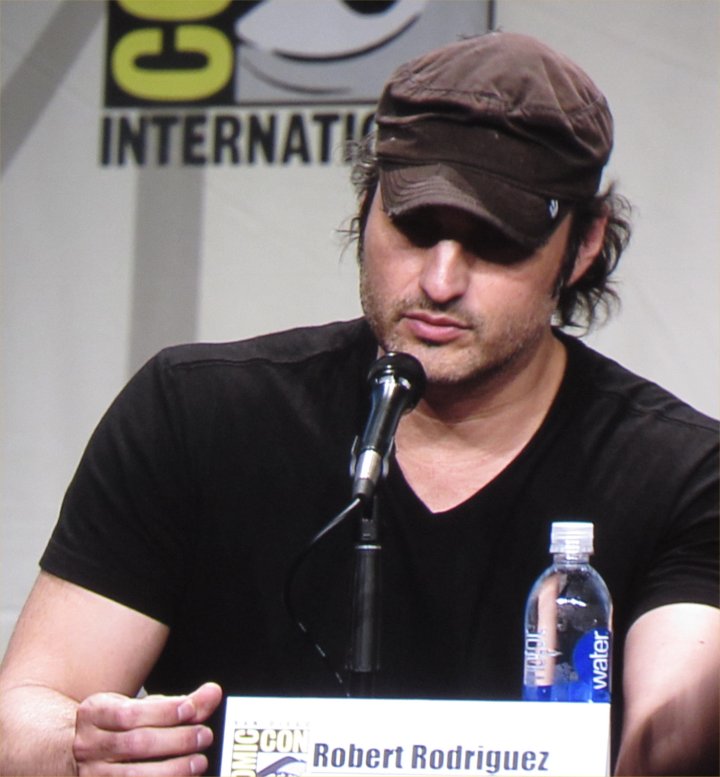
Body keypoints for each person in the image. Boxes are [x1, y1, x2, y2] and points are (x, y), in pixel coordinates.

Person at [0, 31, 717, 777]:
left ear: (584, 244)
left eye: (495, 241)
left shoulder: (679, 473)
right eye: (413, 225)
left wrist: (691, 723)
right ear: (368, 200)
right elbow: (23, 715)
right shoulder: (196, 414)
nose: (440, 281)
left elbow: (666, 741)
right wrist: (83, 748)